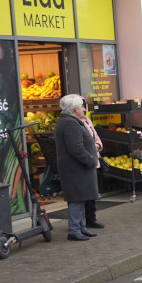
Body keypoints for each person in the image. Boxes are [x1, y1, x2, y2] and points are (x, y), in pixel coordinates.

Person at [53, 95, 99, 241]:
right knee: (76, 199)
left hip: (77, 168)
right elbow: (76, 149)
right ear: (75, 109)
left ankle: (81, 227)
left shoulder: (70, 121)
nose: (84, 109)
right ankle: (74, 230)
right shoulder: (70, 124)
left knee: (81, 198)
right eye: (81, 107)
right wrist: (90, 161)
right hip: (76, 169)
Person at [76, 98, 105, 230]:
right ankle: (82, 220)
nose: (84, 109)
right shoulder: (74, 123)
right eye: (81, 107)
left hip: (93, 159)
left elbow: (95, 135)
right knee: (84, 192)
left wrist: (97, 145)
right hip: (84, 160)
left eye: (84, 106)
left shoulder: (87, 121)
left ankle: (91, 218)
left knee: (92, 190)